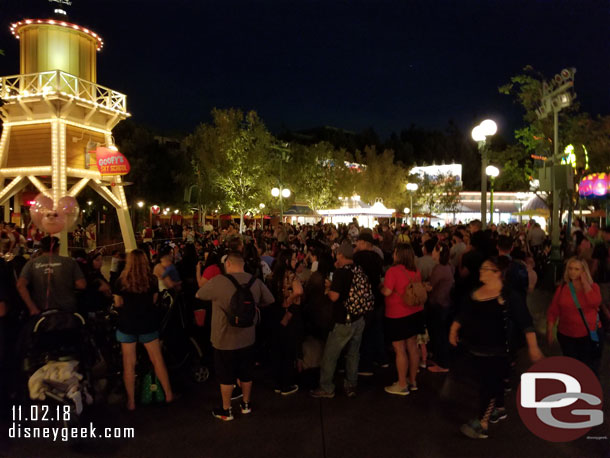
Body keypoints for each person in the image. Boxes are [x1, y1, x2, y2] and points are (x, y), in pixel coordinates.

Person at [449, 257, 543, 439]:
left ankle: (482, 423)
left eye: (486, 269)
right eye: (481, 268)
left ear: (497, 273)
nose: (481, 272)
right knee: (488, 381)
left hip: (499, 348)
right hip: (475, 347)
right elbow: (463, 313)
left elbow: (525, 321)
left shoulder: (508, 296)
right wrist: (454, 329)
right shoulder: (476, 292)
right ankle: (497, 408)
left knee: (489, 384)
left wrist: (533, 346)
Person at [196, 251, 274, 421]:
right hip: (248, 337)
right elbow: (270, 299)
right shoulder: (255, 281)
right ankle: (246, 404)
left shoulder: (219, 281)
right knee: (246, 372)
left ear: (228, 264)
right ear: (243, 264)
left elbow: (199, 294)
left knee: (225, 375)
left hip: (223, 338)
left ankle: (226, 410)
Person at [113, 249, 174, 411]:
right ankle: (168, 394)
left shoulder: (121, 281)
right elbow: (154, 300)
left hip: (127, 325)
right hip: (148, 324)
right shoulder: (152, 280)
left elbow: (118, 303)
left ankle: (131, 401)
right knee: (157, 360)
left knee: (129, 363)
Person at [310, 241, 371, 399]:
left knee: (331, 354)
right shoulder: (358, 269)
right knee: (353, 354)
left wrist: (329, 288)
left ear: (340, 255)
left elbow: (335, 296)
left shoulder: (340, 273)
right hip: (359, 318)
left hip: (344, 320)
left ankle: (326, 387)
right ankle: (351, 384)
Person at [380, 244, 425, 395]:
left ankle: (401, 384)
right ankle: (413, 381)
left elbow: (387, 292)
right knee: (413, 346)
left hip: (397, 314)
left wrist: (380, 287)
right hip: (416, 312)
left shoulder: (392, 271)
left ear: (398, 255)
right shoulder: (416, 271)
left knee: (399, 349)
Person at [547, 257, 603, 374]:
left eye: (577, 269)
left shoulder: (593, 288)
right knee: (571, 366)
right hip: (566, 334)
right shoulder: (562, 288)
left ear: (583, 271)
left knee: (587, 366)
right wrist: (550, 329)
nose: (572, 272)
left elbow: (595, 302)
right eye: (570, 269)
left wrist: (585, 283)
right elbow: (553, 310)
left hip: (587, 334)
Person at [17, 236, 86, 315]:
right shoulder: (70, 262)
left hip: (41, 311)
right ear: (57, 248)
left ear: (42, 249)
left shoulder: (31, 263)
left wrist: (32, 308)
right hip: (67, 311)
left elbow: (20, 285)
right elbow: (81, 285)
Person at [354, 230, 387, 375]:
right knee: (378, 329)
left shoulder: (358, 257)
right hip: (378, 298)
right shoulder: (377, 257)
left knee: (365, 332)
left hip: (364, 299)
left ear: (363, 243)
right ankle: (382, 359)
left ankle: (365, 365)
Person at [426, 242, 454, 372]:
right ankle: (440, 360)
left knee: (439, 335)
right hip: (445, 304)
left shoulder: (438, 268)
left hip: (438, 304)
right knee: (441, 334)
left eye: (434, 250)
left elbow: (430, 287)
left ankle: (442, 364)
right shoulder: (448, 266)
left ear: (438, 253)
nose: (432, 252)